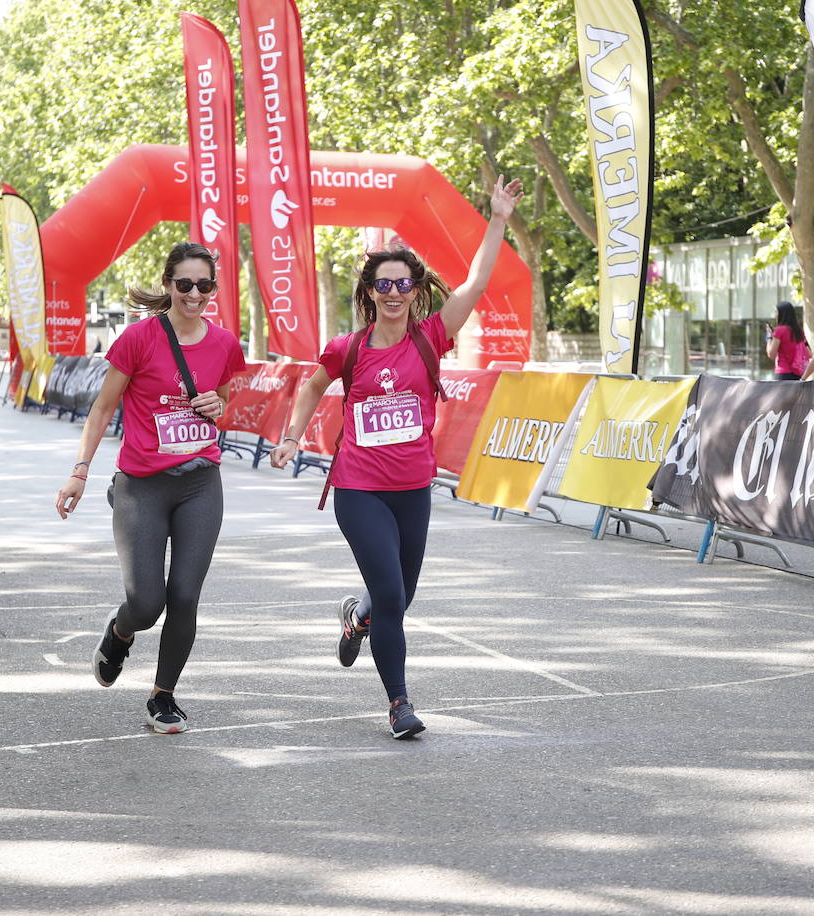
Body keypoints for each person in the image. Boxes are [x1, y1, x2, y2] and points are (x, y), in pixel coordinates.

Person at [269, 176, 524, 740]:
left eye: (402, 283)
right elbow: (310, 389)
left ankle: (357, 617)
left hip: (412, 489)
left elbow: (477, 283)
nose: (392, 292)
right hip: (358, 489)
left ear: (413, 290)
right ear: (370, 291)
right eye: (383, 284)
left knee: (398, 595)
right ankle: (398, 703)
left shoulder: (432, 337)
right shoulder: (349, 349)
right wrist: (292, 435)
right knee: (391, 593)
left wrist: (499, 217)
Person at [54, 242, 246, 735]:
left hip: (201, 482)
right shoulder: (138, 339)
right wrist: (80, 470)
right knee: (147, 603)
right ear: (168, 286)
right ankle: (119, 634)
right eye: (184, 284)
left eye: (204, 285)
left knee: (184, 595)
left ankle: (163, 696)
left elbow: (224, 400)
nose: (194, 294)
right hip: (142, 485)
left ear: (213, 289)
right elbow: (101, 409)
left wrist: (215, 406)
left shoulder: (224, 343)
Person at [765, 301, 810, 380]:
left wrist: (769, 337)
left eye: (776, 312)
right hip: (798, 373)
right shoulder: (799, 331)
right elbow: (809, 353)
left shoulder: (779, 331)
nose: (775, 315)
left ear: (782, 314)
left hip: (783, 373)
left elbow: (771, 354)